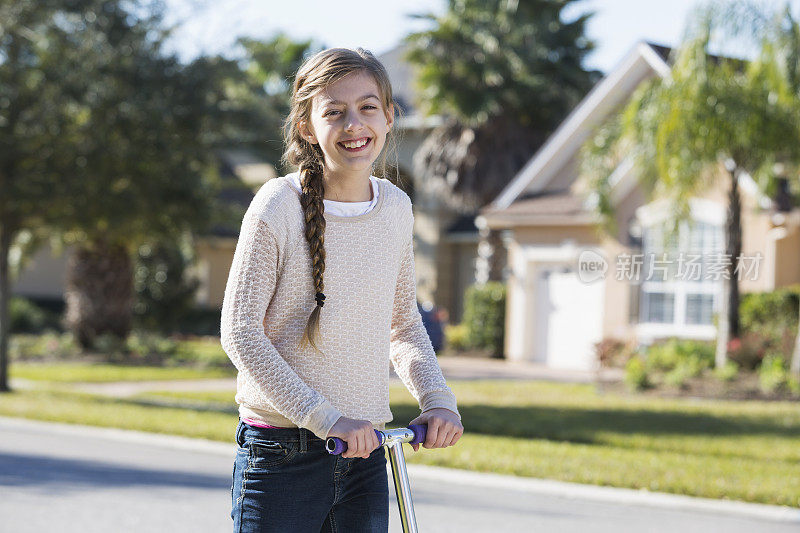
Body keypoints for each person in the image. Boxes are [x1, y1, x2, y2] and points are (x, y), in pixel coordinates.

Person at [220, 47, 464, 533]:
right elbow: (240, 333)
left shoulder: (394, 207)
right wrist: (324, 418)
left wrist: (438, 400)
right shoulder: (277, 204)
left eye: (368, 107)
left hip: (367, 451)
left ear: (389, 117)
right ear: (308, 128)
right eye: (334, 112)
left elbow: (404, 323)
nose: (355, 124)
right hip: (282, 453)